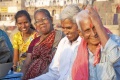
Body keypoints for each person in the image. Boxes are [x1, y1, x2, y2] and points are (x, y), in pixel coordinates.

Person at [29, 4, 82, 80]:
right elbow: (54, 73)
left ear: (79, 24)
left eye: (69, 28)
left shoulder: (85, 43)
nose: (65, 32)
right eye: (63, 28)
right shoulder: (63, 42)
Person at [72, 6, 120, 80]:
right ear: (80, 33)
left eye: (95, 27)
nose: (94, 34)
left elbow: (115, 60)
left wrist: (98, 25)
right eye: (87, 30)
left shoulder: (115, 41)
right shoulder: (77, 51)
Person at [21, 9, 64, 80]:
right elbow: (26, 64)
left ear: (51, 19)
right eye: (37, 21)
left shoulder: (60, 37)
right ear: (35, 25)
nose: (41, 23)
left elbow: (55, 64)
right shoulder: (34, 41)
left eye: (44, 19)